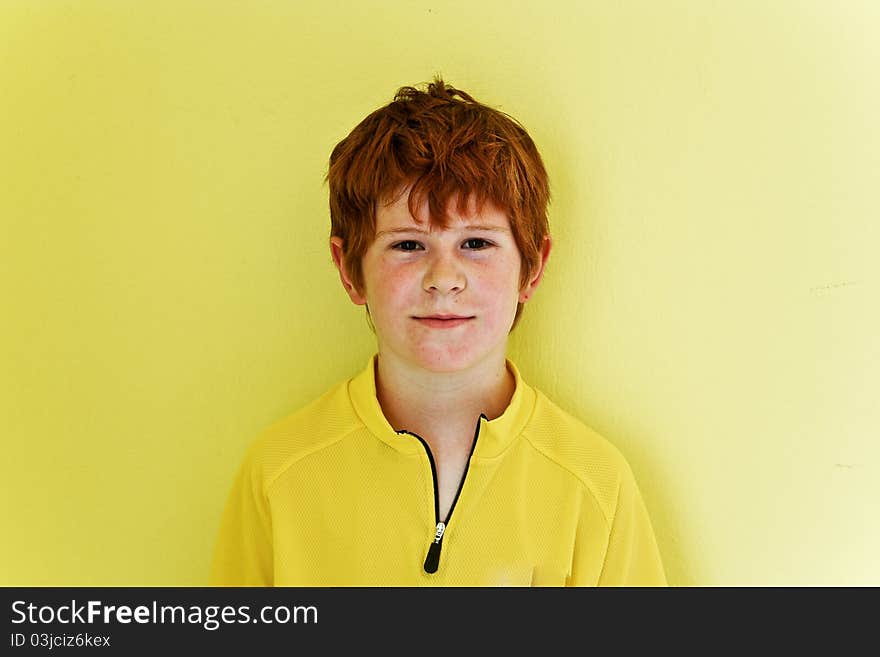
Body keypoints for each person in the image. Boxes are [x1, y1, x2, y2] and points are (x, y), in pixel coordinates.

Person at [210, 77, 666, 586]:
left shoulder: (595, 484)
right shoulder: (280, 474)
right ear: (349, 269)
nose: (444, 279)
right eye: (407, 245)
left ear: (532, 269)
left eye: (476, 243)